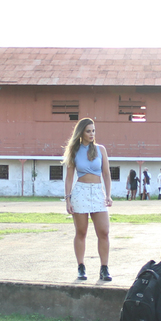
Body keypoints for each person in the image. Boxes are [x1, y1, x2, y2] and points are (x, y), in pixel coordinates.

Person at [63, 118, 113, 281]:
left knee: (104, 232)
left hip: (97, 192)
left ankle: (104, 268)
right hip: (80, 192)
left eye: (93, 131)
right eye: (88, 131)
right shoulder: (74, 151)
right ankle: (81, 267)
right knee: (81, 232)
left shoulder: (101, 149)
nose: (92, 134)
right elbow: (69, 178)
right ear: (81, 133)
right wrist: (68, 199)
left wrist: (108, 194)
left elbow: (106, 174)